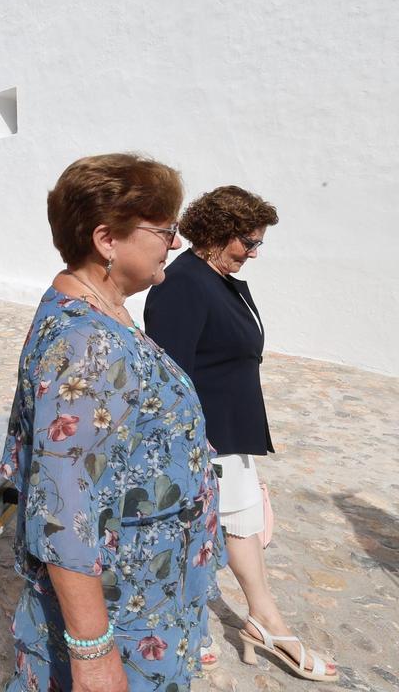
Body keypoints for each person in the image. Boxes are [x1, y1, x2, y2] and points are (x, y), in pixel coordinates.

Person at [1, 153, 222, 691]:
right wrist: (94, 657)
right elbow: (62, 507)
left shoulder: (103, 312)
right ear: (107, 240)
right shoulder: (87, 344)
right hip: (124, 614)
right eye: (165, 229)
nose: (174, 242)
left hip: (149, 595)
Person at [144, 187, 335, 682]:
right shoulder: (182, 283)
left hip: (232, 430)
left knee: (244, 522)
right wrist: (190, 444)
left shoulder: (218, 278)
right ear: (215, 234)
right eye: (246, 243)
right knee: (195, 531)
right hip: (205, 436)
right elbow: (171, 372)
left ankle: (261, 618)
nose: (252, 254)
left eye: (256, 245)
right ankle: (191, 625)